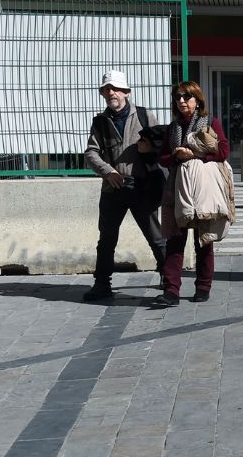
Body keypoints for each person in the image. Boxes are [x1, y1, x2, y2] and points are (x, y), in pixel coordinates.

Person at [82, 70, 167, 301]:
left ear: (126, 93)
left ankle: (168, 278)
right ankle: (101, 284)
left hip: (142, 187)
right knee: (107, 239)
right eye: (107, 90)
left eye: (116, 89)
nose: (111, 93)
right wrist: (107, 171)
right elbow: (91, 152)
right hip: (113, 189)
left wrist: (149, 149)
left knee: (156, 236)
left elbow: (162, 143)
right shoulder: (100, 122)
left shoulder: (144, 115)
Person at [155, 81, 231, 306]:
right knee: (175, 240)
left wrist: (197, 157)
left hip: (202, 188)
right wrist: (176, 157)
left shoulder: (210, 122)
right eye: (177, 97)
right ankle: (171, 291)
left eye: (186, 97)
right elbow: (162, 157)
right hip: (177, 188)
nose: (181, 101)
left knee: (204, 240)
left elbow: (224, 151)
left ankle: (203, 287)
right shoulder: (173, 127)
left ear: (197, 100)